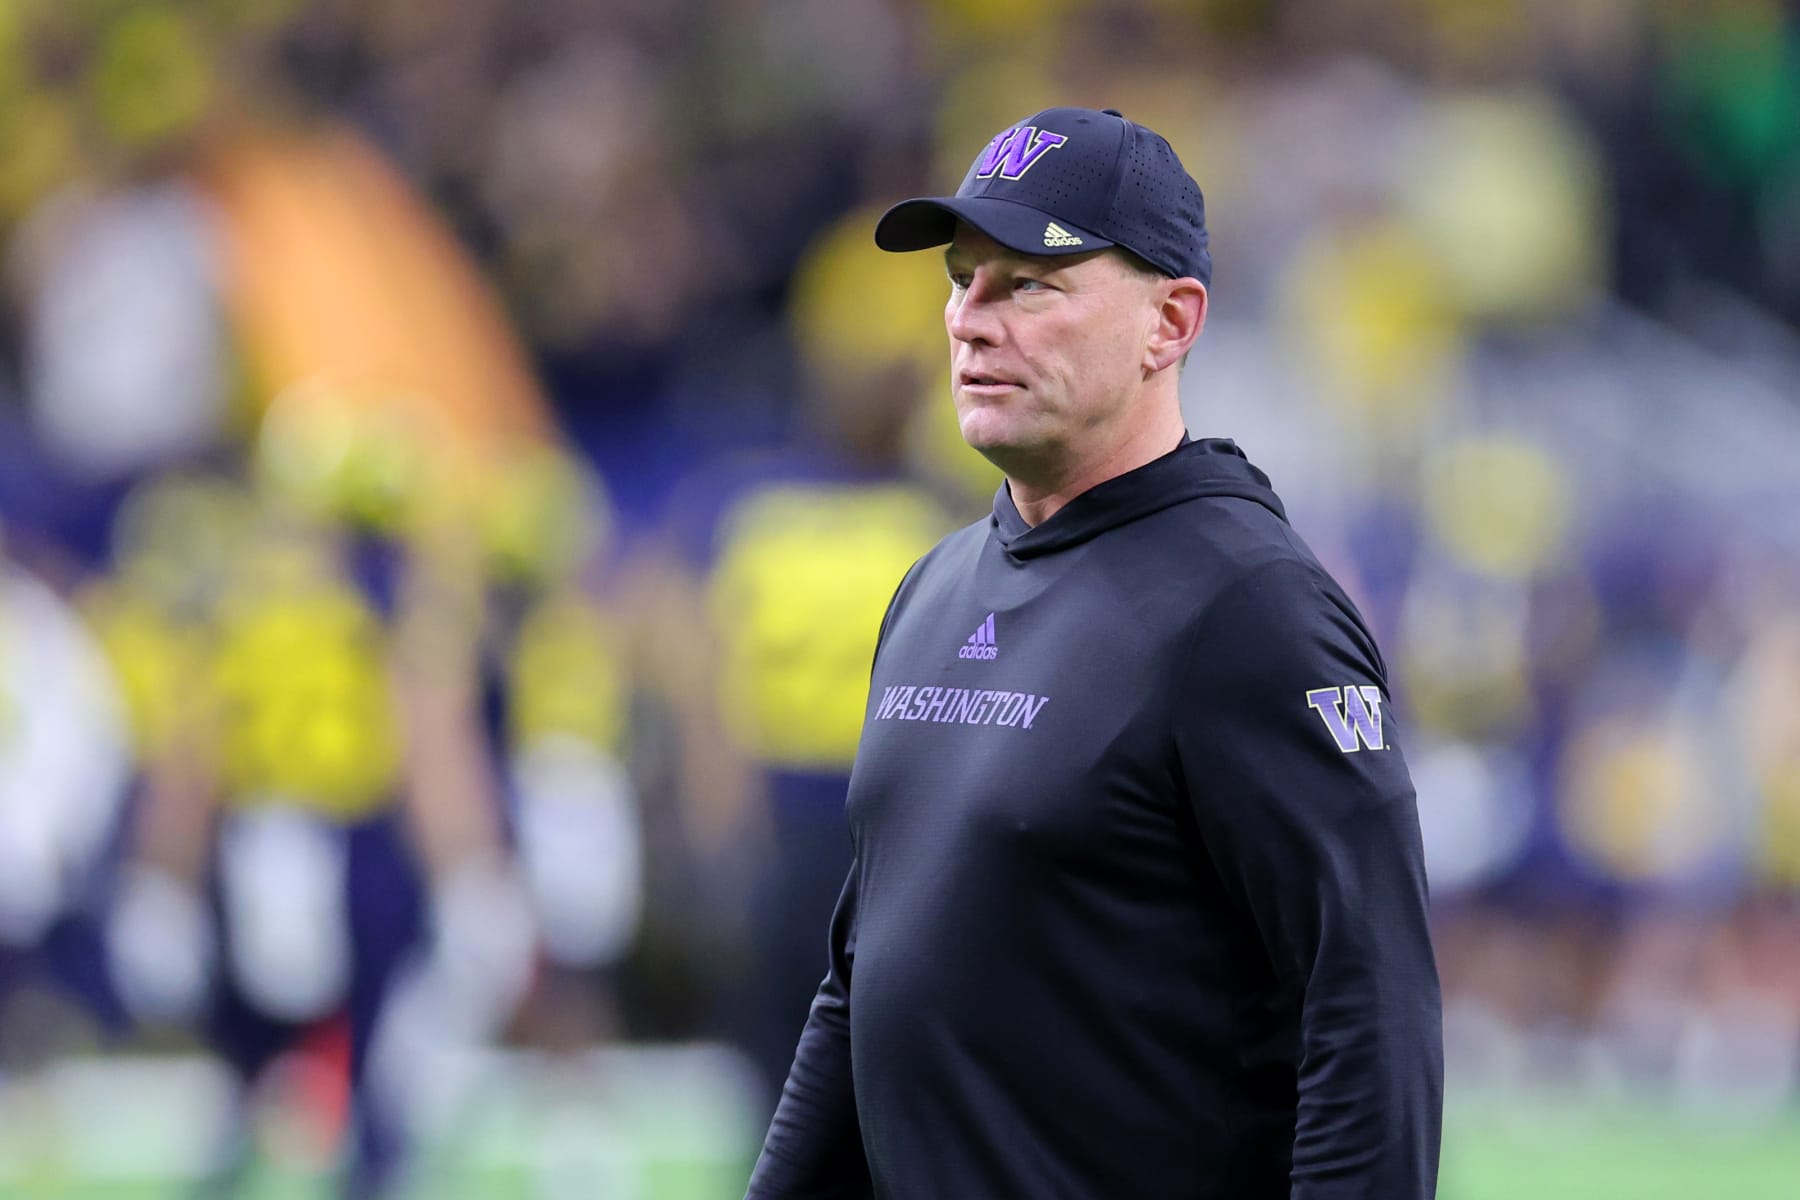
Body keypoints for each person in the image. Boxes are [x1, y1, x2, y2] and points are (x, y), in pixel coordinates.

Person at [745, 107, 1443, 1198]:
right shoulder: (932, 590)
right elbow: (861, 983)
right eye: (962, 279)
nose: (972, 321)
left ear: (1170, 322)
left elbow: (1368, 1014)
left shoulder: (1249, 607)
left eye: (1029, 284)